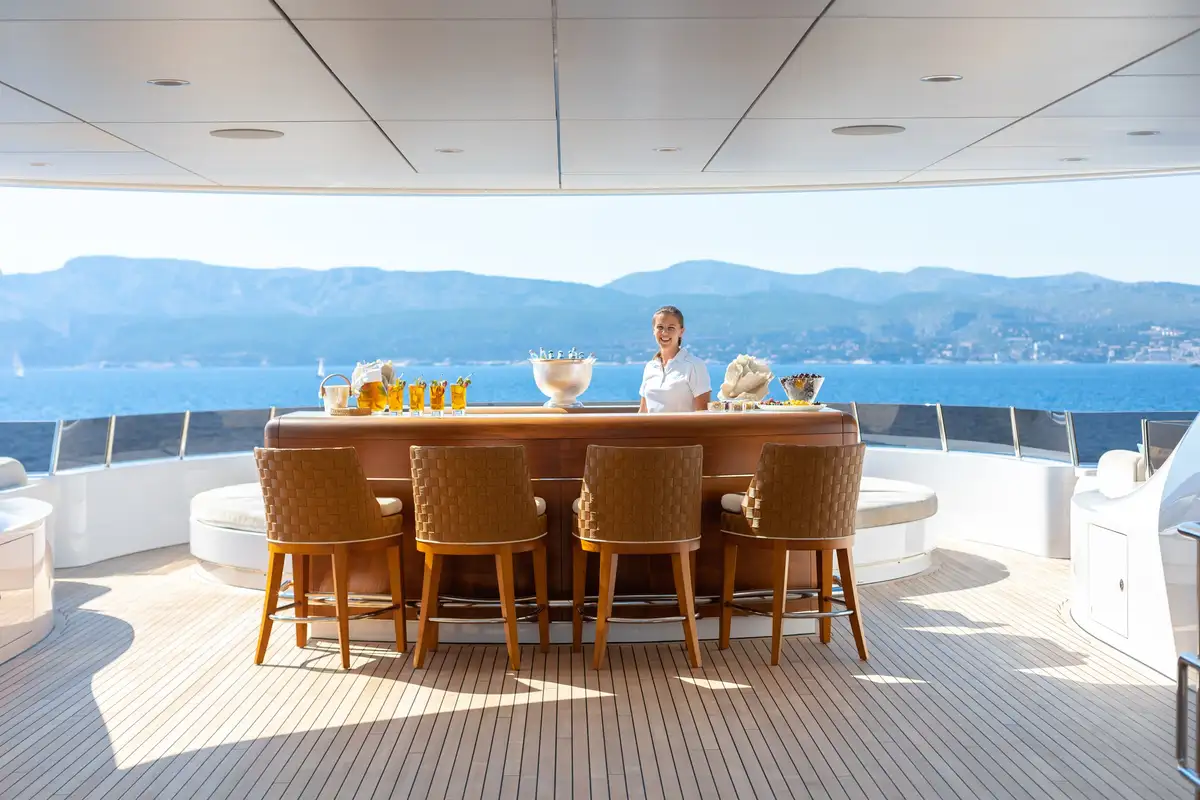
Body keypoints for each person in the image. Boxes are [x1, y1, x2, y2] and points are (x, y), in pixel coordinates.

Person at [638, 305, 712, 413]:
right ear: (654, 330)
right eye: (660, 327)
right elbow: (643, 411)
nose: (665, 333)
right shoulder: (650, 367)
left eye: (671, 328)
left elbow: (703, 413)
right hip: (651, 425)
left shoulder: (695, 366)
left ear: (681, 332)